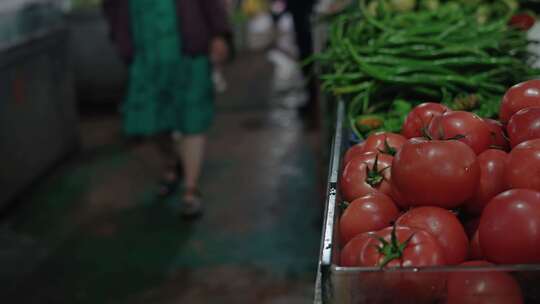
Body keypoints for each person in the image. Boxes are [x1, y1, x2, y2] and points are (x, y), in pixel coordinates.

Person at [102, 0, 230, 217]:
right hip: (146, 55)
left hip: (188, 48)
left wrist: (219, 33)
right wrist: (119, 36)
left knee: (192, 117)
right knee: (152, 121)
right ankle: (173, 161)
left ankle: (190, 189)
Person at [287, 0, 318, 122]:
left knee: (307, 53)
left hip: (305, 10)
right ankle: (311, 100)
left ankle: (313, 102)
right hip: (301, 11)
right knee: (305, 55)